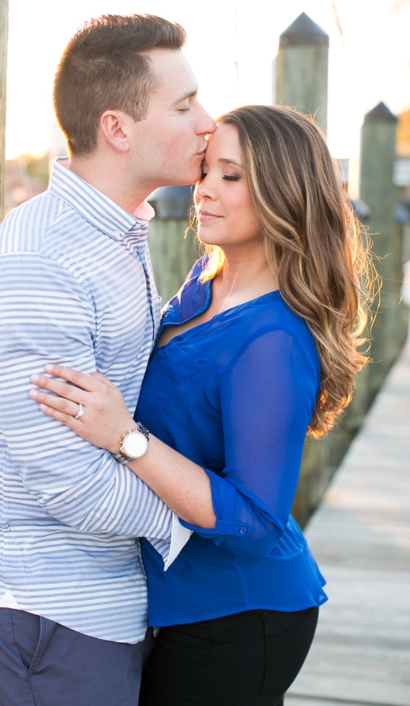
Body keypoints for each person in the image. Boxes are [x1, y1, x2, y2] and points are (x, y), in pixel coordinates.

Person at [30, 105, 372, 705]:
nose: (204, 190)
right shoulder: (205, 281)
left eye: (231, 177)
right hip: (178, 600)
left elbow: (258, 522)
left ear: (284, 193)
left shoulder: (271, 341)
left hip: (239, 617)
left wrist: (125, 438)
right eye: (207, 170)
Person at [0, 14, 215, 705]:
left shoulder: (113, 234)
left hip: (97, 594)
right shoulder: (39, 261)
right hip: (49, 606)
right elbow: (68, 480)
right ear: (117, 128)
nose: (207, 123)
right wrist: (198, 522)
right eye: (184, 106)